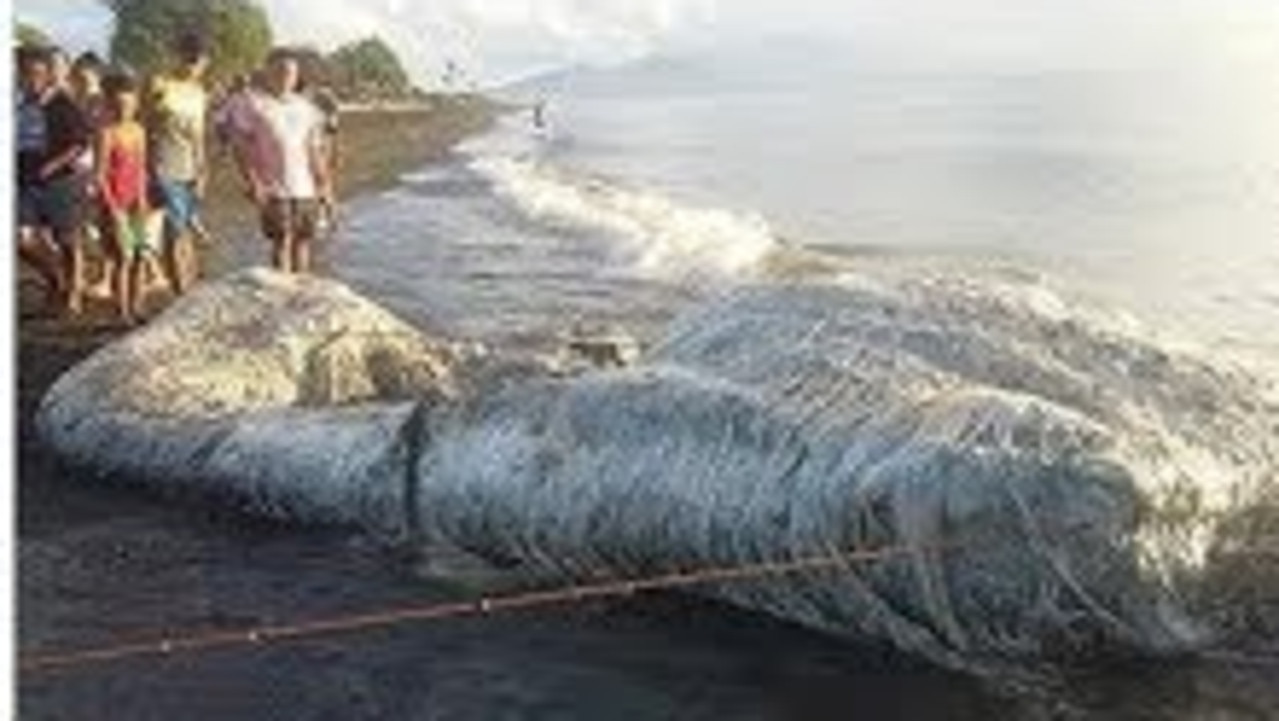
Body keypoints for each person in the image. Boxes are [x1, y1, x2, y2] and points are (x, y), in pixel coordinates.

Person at [233, 48, 333, 273]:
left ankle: (299, 295)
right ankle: (282, 298)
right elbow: (241, 148)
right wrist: (253, 182)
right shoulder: (254, 104)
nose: (285, 76)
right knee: (282, 243)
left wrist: (325, 187)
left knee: (304, 244)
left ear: (297, 76)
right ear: (268, 72)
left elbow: (314, 150)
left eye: (290, 72)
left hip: (305, 188)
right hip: (275, 190)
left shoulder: (308, 109)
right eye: (279, 71)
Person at [16, 45, 92, 315]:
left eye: (37, 74)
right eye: (26, 74)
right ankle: (55, 279)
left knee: (68, 241)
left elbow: (80, 142)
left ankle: (73, 294)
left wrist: (53, 165)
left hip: (61, 182)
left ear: (47, 75)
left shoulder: (62, 103)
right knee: (20, 239)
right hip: (25, 180)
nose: (31, 79)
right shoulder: (16, 104)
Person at [95, 71, 162, 324]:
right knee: (123, 257)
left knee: (140, 255)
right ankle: (122, 311)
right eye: (118, 105)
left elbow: (142, 168)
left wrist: (144, 199)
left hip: (136, 202)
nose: (124, 110)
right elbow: (100, 175)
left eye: (129, 104)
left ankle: (137, 306)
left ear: (136, 104)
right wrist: (111, 208)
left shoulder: (138, 131)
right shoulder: (106, 133)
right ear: (110, 105)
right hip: (115, 204)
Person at [146, 32, 210, 295]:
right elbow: (144, 125)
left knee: (186, 230)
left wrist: (204, 169)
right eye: (190, 58)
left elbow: (199, 135)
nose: (195, 65)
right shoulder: (159, 85)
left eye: (200, 60)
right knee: (173, 231)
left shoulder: (199, 92)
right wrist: (148, 170)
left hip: (191, 167)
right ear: (178, 57)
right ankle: (180, 293)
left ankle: (190, 287)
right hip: (163, 166)